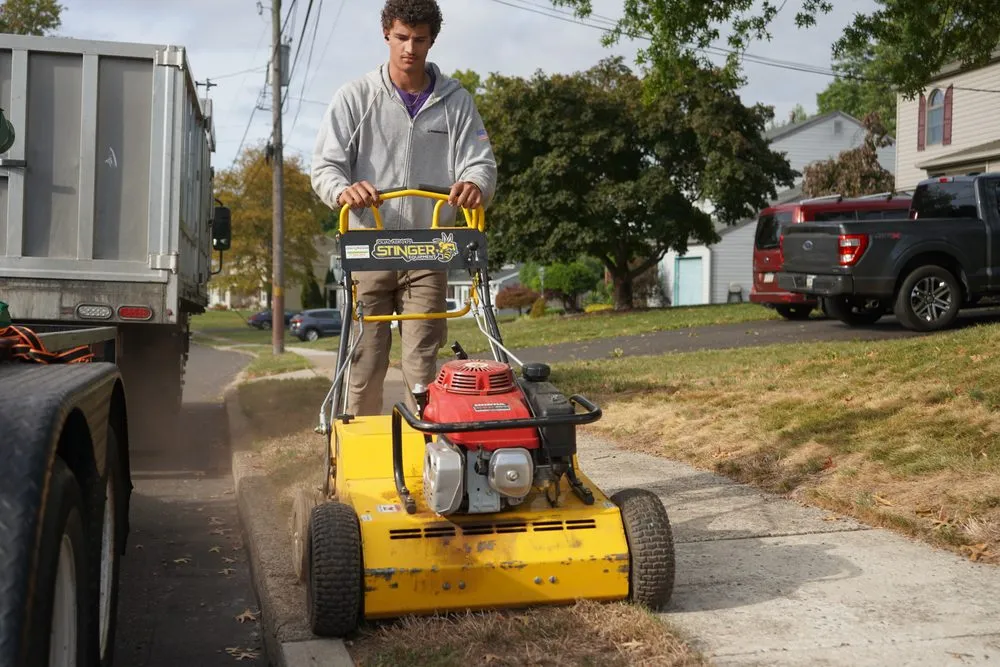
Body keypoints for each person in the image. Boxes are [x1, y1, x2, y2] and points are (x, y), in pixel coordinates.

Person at [311, 0, 498, 416]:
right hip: (369, 245)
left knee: (422, 365)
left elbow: (480, 163)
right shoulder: (355, 97)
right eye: (401, 38)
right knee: (365, 360)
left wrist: (474, 184)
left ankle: (426, 446)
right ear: (386, 35)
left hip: (428, 248)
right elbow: (325, 167)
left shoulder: (456, 101)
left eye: (419, 39)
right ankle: (359, 442)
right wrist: (344, 191)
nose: (409, 48)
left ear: (432, 40)